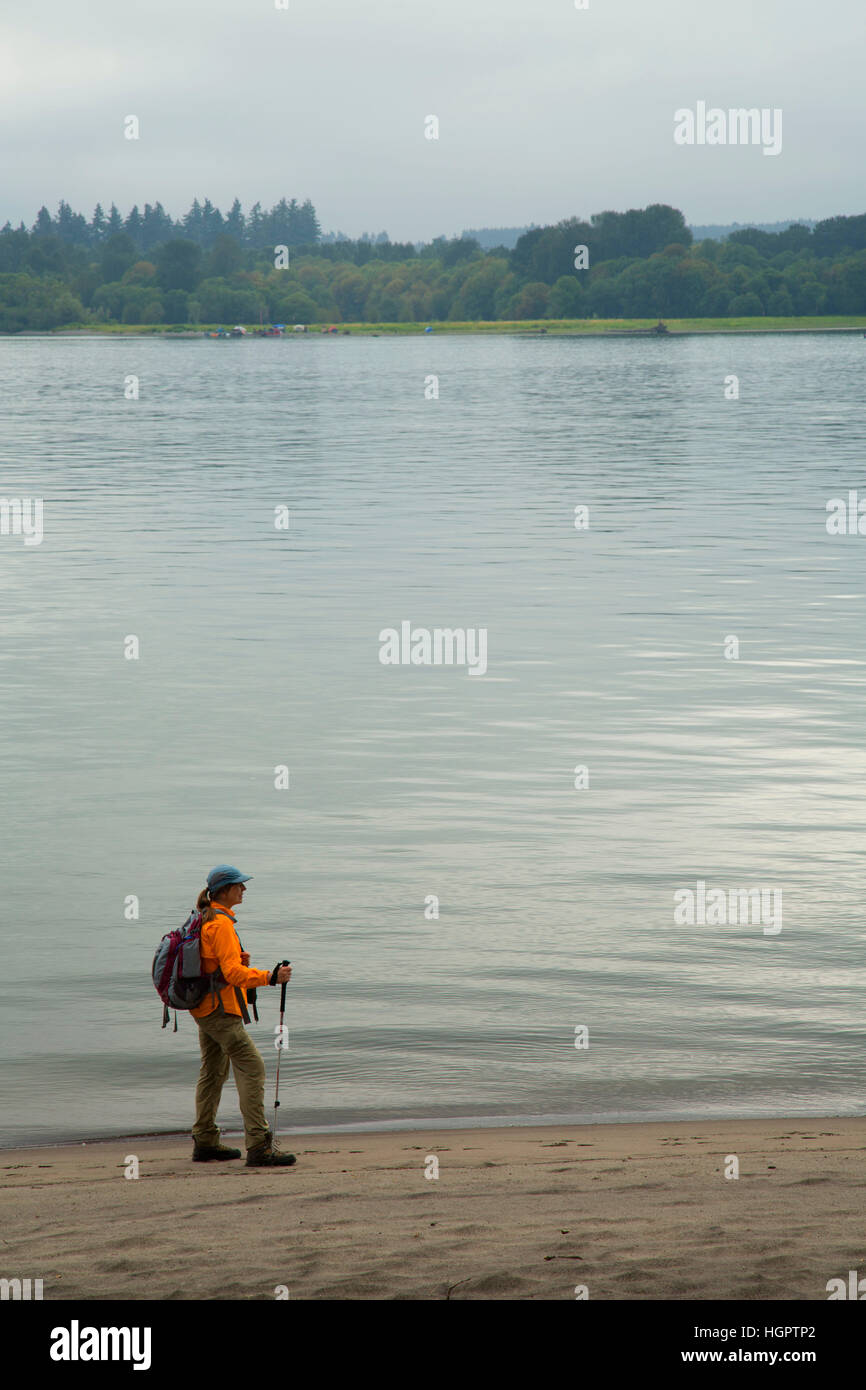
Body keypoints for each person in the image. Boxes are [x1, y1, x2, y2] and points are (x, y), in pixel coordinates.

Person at [190, 864, 296, 1167]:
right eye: (239, 885)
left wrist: (238, 959)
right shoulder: (220, 924)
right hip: (221, 1010)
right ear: (225, 890)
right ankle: (259, 1146)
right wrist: (271, 977)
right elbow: (233, 975)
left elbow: (215, 965)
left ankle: (206, 1141)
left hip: (204, 1008)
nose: (244, 889)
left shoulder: (206, 917)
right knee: (252, 1066)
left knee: (213, 1072)